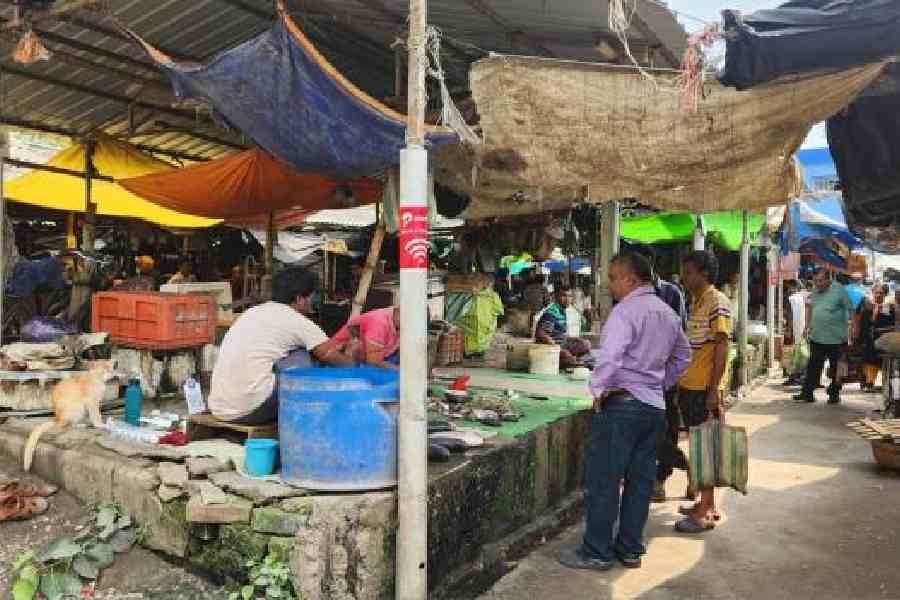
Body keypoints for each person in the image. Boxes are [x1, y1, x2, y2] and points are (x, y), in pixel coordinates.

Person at [558, 252, 690, 571]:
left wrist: (599, 390)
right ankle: (630, 548)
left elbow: (610, 357)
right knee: (640, 483)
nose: (610, 285)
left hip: (623, 406)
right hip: (653, 407)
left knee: (605, 480)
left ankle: (597, 551)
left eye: (613, 278)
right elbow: (683, 356)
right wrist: (658, 383)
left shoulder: (625, 311)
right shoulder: (667, 313)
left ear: (631, 280)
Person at [208, 266, 357, 425]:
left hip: (220, 407)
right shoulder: (298, 321)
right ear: (300, 299)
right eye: (312, 296)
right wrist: (353, 360)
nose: (313, 301)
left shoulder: (251, 312)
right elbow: (330, 356)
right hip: (251, 409)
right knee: (304, 357)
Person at [674, 250, 733, 534]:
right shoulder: (697, 301)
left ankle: (705, 510)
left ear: (704, 274)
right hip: (690, 386)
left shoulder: (717, 301)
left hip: (703, 388)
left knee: (706, 448)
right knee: (700, 446)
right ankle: (705, 503)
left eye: (689, 272)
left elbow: (722, 346)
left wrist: (713, 390)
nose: (684, 278)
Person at [631, 245, 689, 502]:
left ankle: (664, 476)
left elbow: (680, 333)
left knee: (666, 428)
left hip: (664, 373)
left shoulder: (670, 292)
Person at [793, 269, 852, 404]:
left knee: (837, 368)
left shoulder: (840, 290)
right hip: (817, 336)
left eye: (820, 281)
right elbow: (811, 308)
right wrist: (807, 326)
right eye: (815, 281)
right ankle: (807, 393)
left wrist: (852, 330)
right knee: (813, 366)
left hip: (837, 338)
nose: (817, 284)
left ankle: (834, 393)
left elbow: (851, 310)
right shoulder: (815, 290)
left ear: (828, 280)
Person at [535, 286, 591, 368]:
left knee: (586, 344)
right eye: (564, 296)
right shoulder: (552, 312)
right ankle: (573, 361)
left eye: (570, 296)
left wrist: (575, 339)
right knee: (568, 357)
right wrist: (556, 348)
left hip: (562, 345)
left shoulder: (562, 311)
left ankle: (576, 361)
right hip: (550, 349)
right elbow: (540, 333)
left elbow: (561, 335)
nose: (567, 299)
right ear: (557, 297)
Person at [331, 306, 401, 369]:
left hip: (358, 355)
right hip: (342, 356)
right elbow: (374, 362)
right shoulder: (379, 322)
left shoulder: (396, 323)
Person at [855, 284, 894, 392]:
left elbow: (889, 324)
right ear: (873, 293)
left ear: (885, 295)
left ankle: (882, 382)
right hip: (869, 339)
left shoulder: (887, 308)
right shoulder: (867, 308)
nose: (878, 295)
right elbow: (864, 325)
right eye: (876, 293)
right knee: (869, 354)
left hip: (883, 339)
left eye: (881, 293)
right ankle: (869, 382)